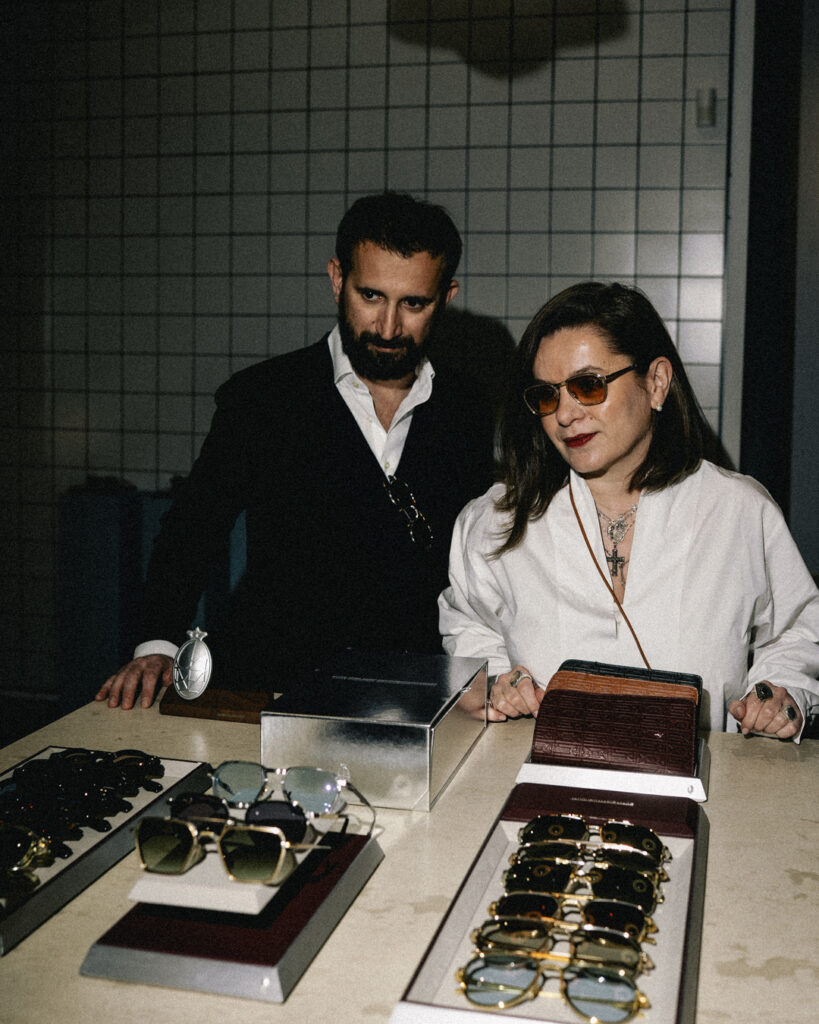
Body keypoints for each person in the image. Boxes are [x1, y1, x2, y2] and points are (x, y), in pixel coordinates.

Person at [98, 192, 497, 709]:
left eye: (413, 303)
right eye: (370, 296)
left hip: (417, 691)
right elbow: (192, 531)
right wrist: (157, 644)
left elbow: (478, 560)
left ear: (445, 297)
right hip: (275, 686)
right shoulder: (262, 398)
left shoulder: (467, 408)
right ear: (337, 278)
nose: (388, 327)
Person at [439, 281, 819, 739]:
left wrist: (781, 694)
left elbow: (797, 631)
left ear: (656, 383)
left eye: (587, 385)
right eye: (547, 395)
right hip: (546, 773)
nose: (565, 415)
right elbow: (469, 628)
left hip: (701, 776)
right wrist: (499, 681)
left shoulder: (738, 511)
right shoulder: (496, 521)